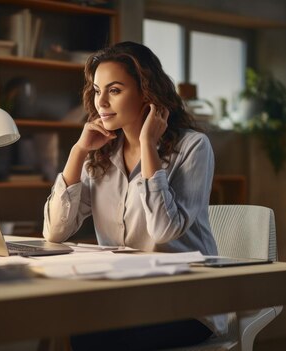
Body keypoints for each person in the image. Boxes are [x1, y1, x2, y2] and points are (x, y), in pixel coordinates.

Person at [43, 41, 227, 349]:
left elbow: (164, 230)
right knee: (78, 329)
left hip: (186, 304)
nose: (101, 102)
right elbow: (55, 231)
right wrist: (77, 152)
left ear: (147, 94)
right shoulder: (99, 154)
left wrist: (148, 146)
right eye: (96, 90)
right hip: (127, 301)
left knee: (105, 339)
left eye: (114, 90)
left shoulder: (193, 147)